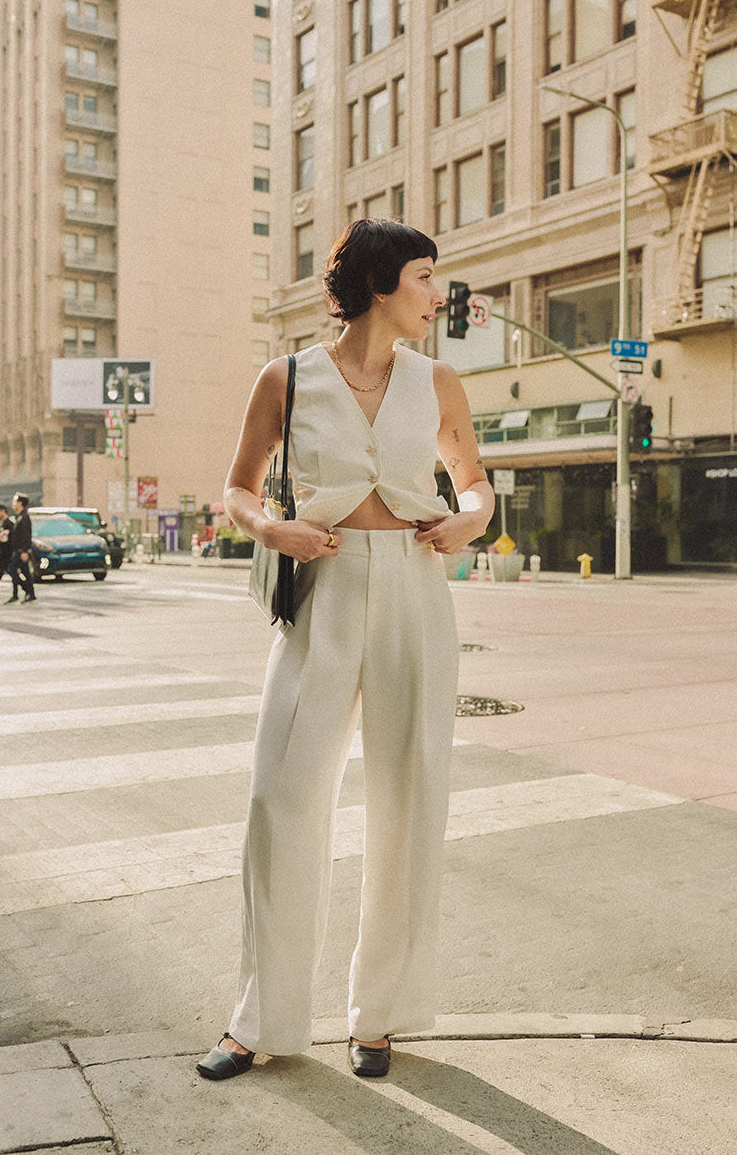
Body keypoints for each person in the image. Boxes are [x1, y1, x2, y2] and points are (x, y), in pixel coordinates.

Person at [196, 219, 495, 1082]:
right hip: (320, 590)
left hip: (412, 586)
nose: (440, 296)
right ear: (379, 283)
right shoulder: (284, 378)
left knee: (410, 799)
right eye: (427, 277)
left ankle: (380, 1016)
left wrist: (470, 519)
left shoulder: (437, 380)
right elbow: (238, 488)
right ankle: (259, 1019)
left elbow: (473, 483)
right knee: (279, 802)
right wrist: (273, 528)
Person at [6, 492, 36, 603]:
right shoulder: (19, 517)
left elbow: (26, 536)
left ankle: (27, 591)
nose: (13, 504)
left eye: (15, 501)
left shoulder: (24, 517)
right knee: (25, 572)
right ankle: (25, 594)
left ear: (20, 503)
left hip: (20, 551)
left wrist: (24, 551)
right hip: (17, 550)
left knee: (12, 570)